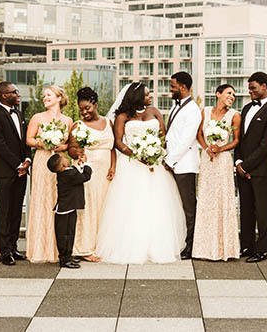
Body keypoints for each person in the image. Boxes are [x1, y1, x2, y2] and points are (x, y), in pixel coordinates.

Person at [96, 82, 186, 264]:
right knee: (132, 205)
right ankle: (130, 246)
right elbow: (119, 142)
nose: (149, 96)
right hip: (131, 166)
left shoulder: (154, 112)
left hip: (154, 165)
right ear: (136, 97)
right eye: (146, 94)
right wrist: (137, 154)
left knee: (156, 204)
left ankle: (157, 245)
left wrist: (156, 151)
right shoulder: (123, 116)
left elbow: (163, 135)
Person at [235, 72, 267, 263]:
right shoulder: (246, 108)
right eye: (249, 88)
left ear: (264, 86)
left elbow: (266, 144)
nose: (250, 91)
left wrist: (247, 165)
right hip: (242, 168)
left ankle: (261, 249)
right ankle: (246, 245)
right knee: (245, 208)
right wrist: (238, 162)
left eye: (253, 87)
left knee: (262, 209)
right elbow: (240, 140)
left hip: (260, 169)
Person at [192, 84, 241, 261]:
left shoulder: (234, 116)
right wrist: (206, 149)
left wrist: (220, 148)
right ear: (218, 94)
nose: (232, 96)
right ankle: (204, 249)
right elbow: (198, 134)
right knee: (206, 200)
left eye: (234, 94)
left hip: (223, 161)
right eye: (229, 93)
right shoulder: (204, 111)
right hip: (207, 160)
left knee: (222, 200)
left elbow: (236, 140)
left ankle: (225, 249)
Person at [68, 87, 115, 262]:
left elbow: (112, 148)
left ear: (95, 104)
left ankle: (101, 244)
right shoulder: (78, 125)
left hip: (106, 173)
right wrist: (78, 154)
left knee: (105, 208)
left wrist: (113, 167)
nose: (84, 112)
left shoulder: (108, 123)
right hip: (88, 171)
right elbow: (71, 148)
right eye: (81, 109)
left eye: (87, 108)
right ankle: (84, 248)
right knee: (88, 208)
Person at [25, 86, 72, 263]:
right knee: (42, 199)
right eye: (44, 96)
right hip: (42, 161)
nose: (45, 98)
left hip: (60, 162)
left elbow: (70, 143)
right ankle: (40, 248)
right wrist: (42, 143)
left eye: (49, 95)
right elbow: (28, 140)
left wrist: (63, 147)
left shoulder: (68, 120)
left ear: (60, 98)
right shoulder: (38, 118)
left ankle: (58, 247)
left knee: (58, 199)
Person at [0, 82, 31, 266]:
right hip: (5, 172)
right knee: (4, 210)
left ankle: (13, 246)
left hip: (21, 171)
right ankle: (5, 250)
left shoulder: (19, 114)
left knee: (15, 210)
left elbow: (24, 142)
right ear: (4, 95)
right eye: (14, 92)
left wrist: (27, 160)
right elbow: (0, 145)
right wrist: (17, 164)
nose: (18, 94)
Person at [164, 72, 202, 260]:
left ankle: (191, 245)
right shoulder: (175, 108)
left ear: (183, 87)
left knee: (189, 207)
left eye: (173, 86)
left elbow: (187, 139)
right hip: (174, 163)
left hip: (184, 165)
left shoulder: (193, 110)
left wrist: (170, 161)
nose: (170, 89)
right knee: (177, 205)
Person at [47, 153, 92, 269]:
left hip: (69, 208)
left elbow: (76, 173)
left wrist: (79, 166)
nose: (67, 159)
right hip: (65, 209)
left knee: (69, 233)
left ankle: (68, 256)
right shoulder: (68, 174)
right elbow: (85, 176)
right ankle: (64, 258)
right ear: (63, 165)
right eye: (64, 158)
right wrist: (86, 164)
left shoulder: (67, 172)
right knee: (65, 235)